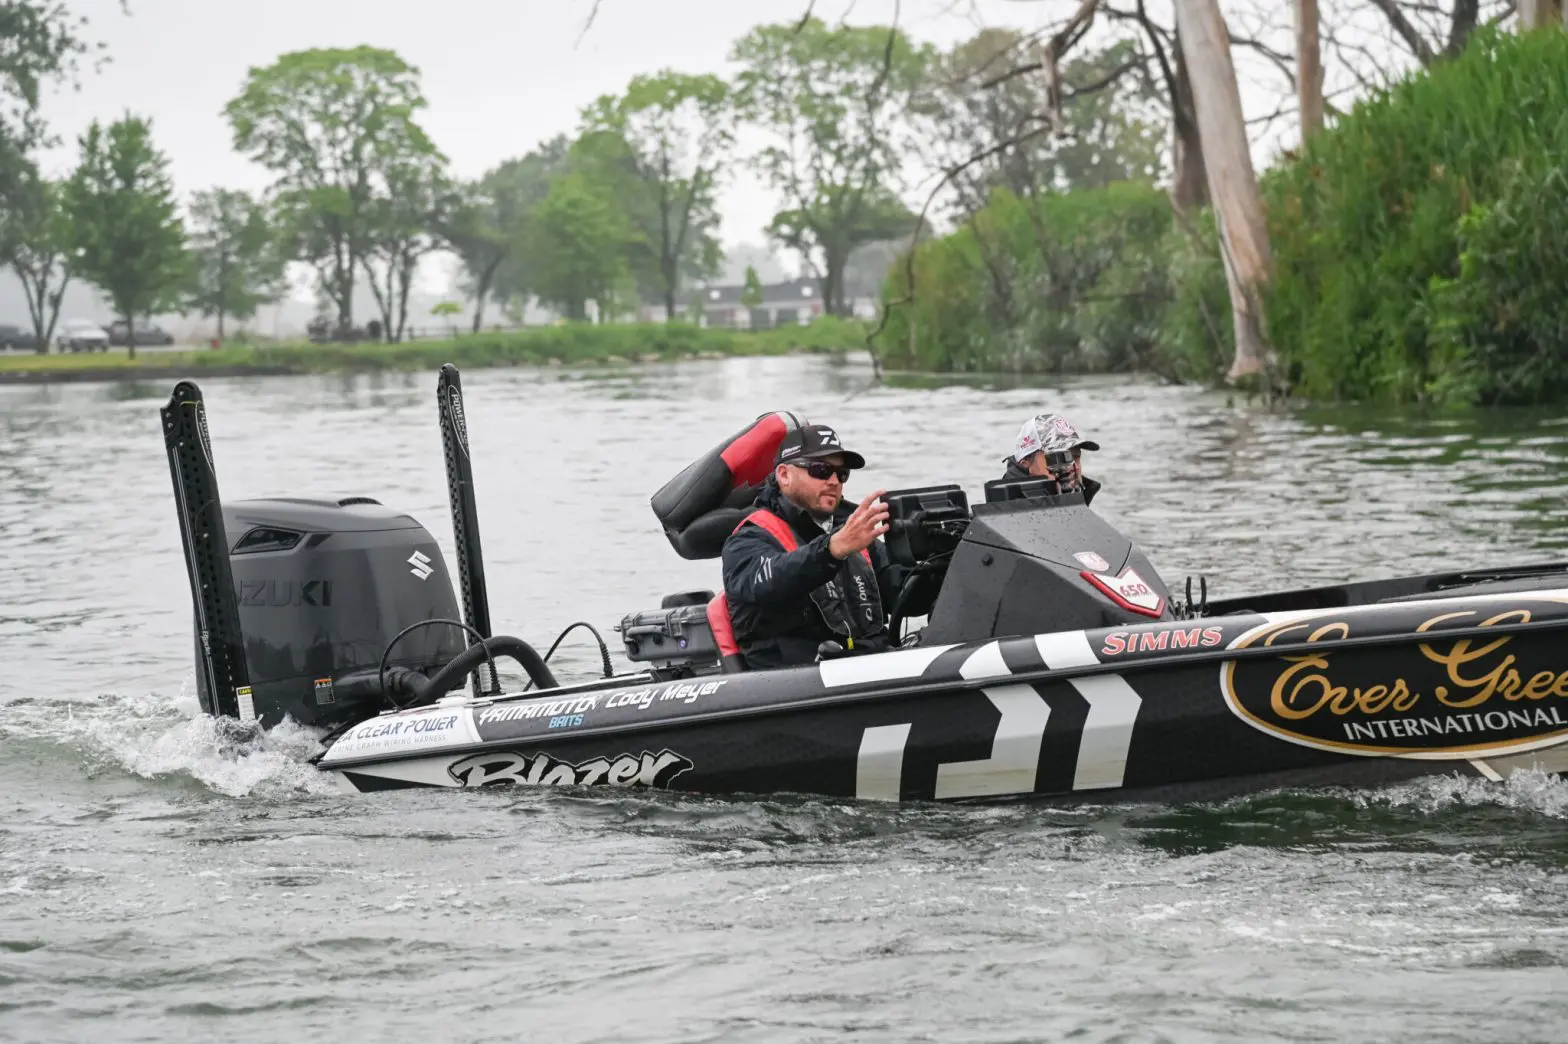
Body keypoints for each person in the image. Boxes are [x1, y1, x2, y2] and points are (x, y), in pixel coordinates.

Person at [720, 423, 898, 670]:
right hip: (794, 680)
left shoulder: (853, 533)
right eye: (821, 470)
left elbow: (903, 592)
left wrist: (936, 559)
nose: (834, 481)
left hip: (868, 666)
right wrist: (830, 551)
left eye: (841, 474)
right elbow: (770, 580)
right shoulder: (747, 539)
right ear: (784, 475)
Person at [998, 412, 1102, 505]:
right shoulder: (1008, 509)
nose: (1071, 467)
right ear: (1025, 463)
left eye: (1075, 457)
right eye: (1057, 458)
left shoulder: (1075, 500)